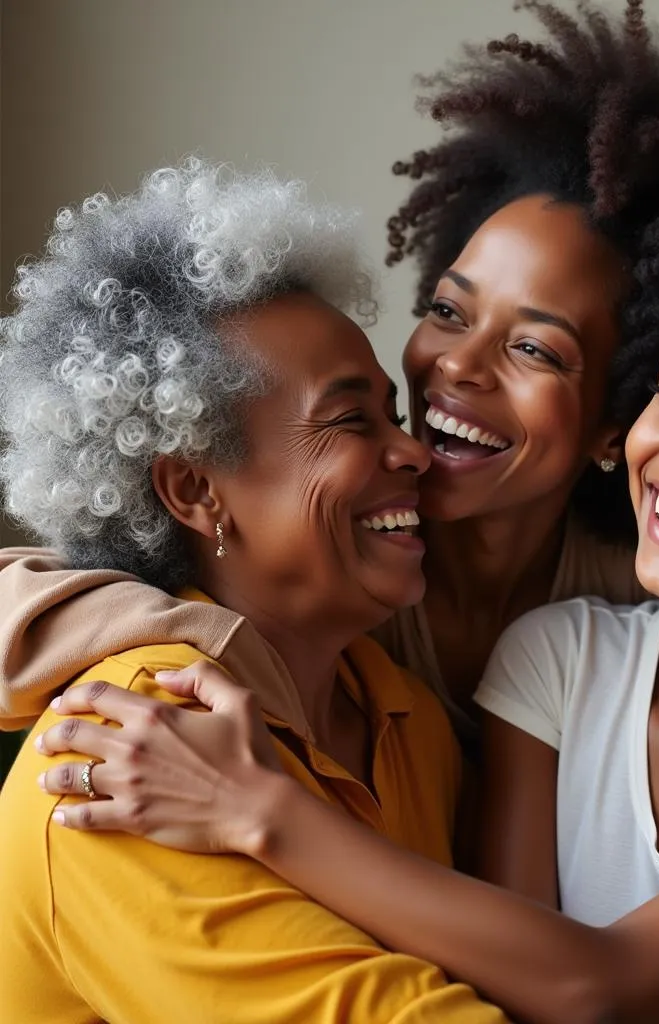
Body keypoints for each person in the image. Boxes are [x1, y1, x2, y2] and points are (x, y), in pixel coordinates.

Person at [5, 0, 659, 906]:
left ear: (612, 425)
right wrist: (211, 638)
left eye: (536, 348)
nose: (458, 369)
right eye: (449, 311)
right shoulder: (317, 554)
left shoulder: (641, 582)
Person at [0, 159, 506, 1022]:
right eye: (350, 420)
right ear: (196, 491)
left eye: (393, 412)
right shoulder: (118, 751)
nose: (414, 452)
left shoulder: (407, 720)